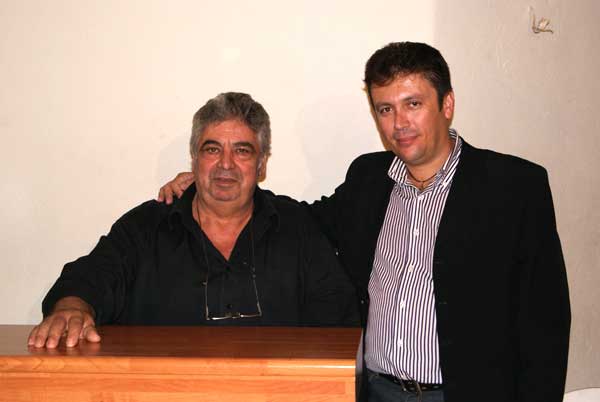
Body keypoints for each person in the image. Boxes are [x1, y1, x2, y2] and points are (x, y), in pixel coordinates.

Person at [157, 43, 570, 402]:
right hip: (375, 391)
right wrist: (216, 185)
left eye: (413, 104)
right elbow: (299, 218)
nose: (399, 123)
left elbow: (546, 325)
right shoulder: (368, 179)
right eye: (385, 109)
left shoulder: (514, 187)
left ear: (447, 105)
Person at [28, 92, 358, 350]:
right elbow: (91, 277)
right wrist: (72, 308)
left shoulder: (298, 227)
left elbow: (339, 326)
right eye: (212, 150)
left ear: (261, 165)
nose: (225, 164)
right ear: (194, 158)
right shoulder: (146, 227)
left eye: (242, 151)